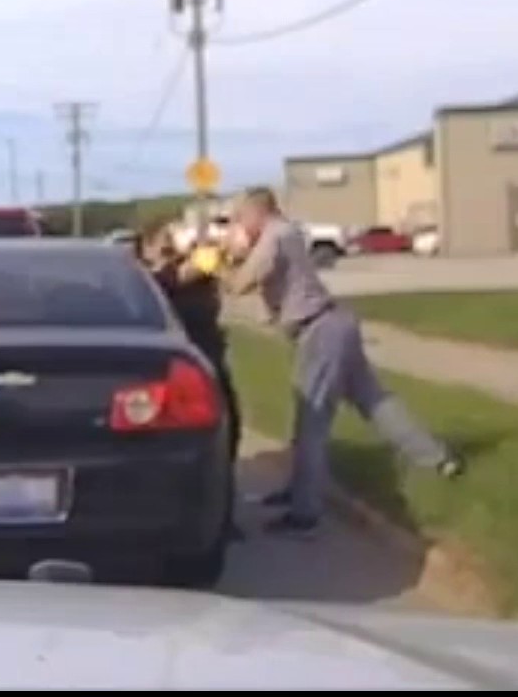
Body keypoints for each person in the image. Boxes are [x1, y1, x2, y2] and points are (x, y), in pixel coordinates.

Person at [220, 187, 463, 537]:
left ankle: (305, 514)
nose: (240, 225)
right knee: (374, 401)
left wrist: (217, 267)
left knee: (312, 422)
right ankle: (438, 459)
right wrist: (234, 255)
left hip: (318, 330)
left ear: (258, 212)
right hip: (333, 324)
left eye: (241, 217)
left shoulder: (275, 235)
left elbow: (242, 283)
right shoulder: (283, 233)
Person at [140, 221, 243, 541]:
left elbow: (227, 277)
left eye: (173, 240)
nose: (172, 246)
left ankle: (222, 515)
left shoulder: (195, 270)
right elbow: (183, 274)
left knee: (229, 433)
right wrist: (202, 257)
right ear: (147, 248)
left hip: (210, 355)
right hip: (183, 368)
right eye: (164, 241)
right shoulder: (153, 279)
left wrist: (219, 254)